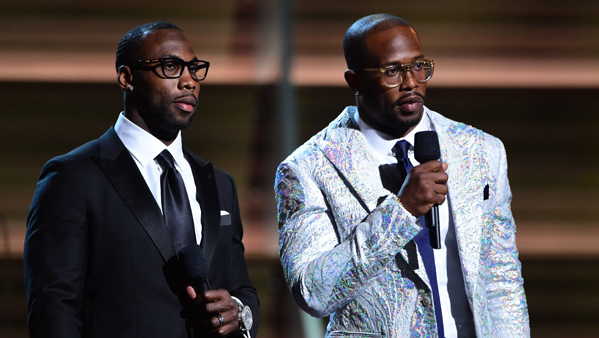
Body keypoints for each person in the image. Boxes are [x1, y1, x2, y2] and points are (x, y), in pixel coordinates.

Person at [274, 13, 529, 337]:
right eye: (392, 71)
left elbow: (502, 278)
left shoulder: (481, 150)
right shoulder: (308, 167)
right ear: (354, 81)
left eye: (419, 66)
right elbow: (313, 291)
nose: (410, 83)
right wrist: (400, 211)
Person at [24, 22, 258, 338]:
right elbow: (54, 311)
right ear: (126, 77)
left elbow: (241, 288)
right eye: (171, 66)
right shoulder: (72, 178)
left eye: (194, 69)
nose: (189, 81)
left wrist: (239, 313)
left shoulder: (220, 184)